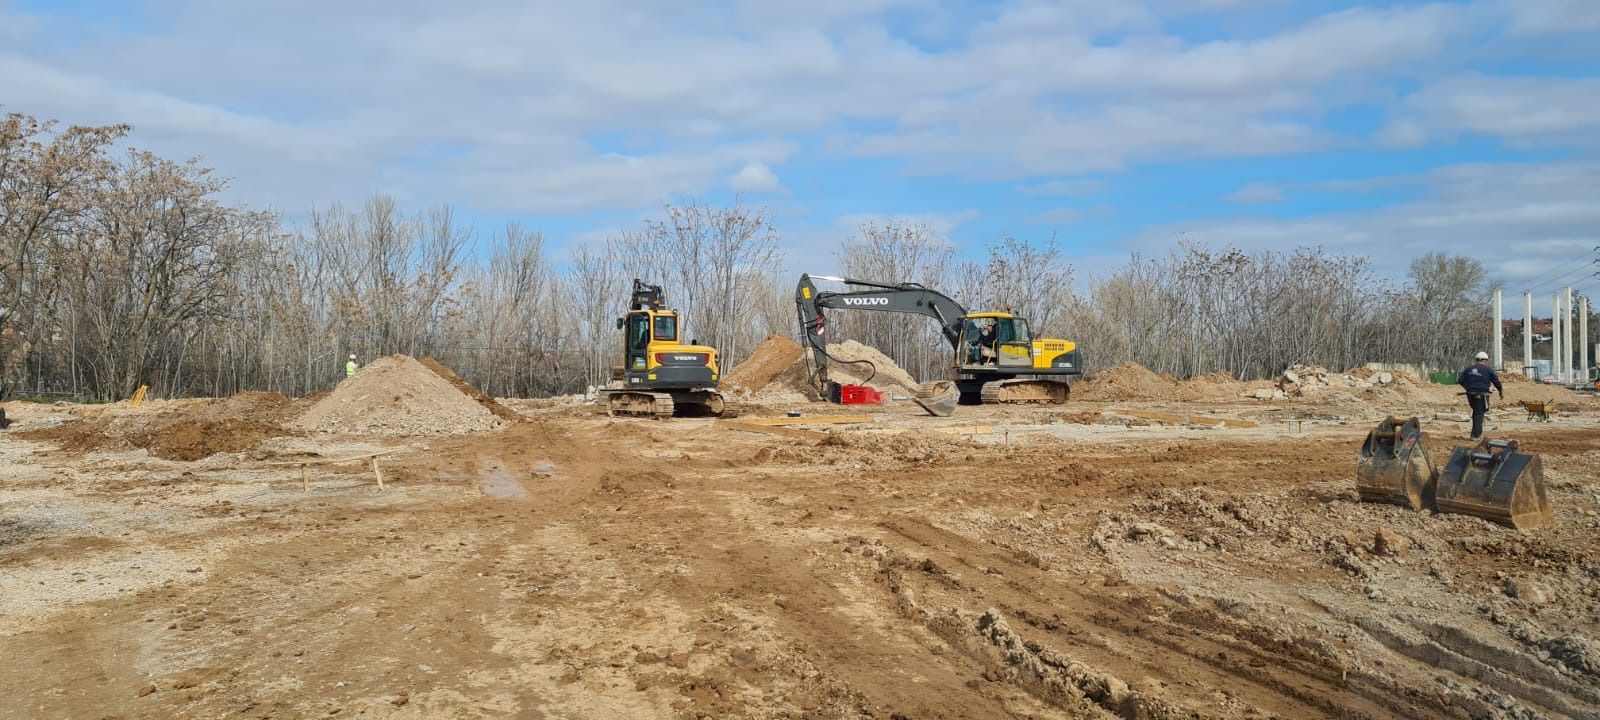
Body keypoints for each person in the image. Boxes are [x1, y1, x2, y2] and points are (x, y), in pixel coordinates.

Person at [1458, 351, 1503, 439]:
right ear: (1485, 360)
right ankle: (1476, 435)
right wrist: (1501, 392)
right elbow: (1496, 382)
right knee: (1479, 413)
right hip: (1482, 394)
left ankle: (1475, 432)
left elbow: (1460, 381)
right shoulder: (1488, 370)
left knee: (1476, 411)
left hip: (1470, 394)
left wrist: (1468, 388)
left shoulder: (1468, 368)